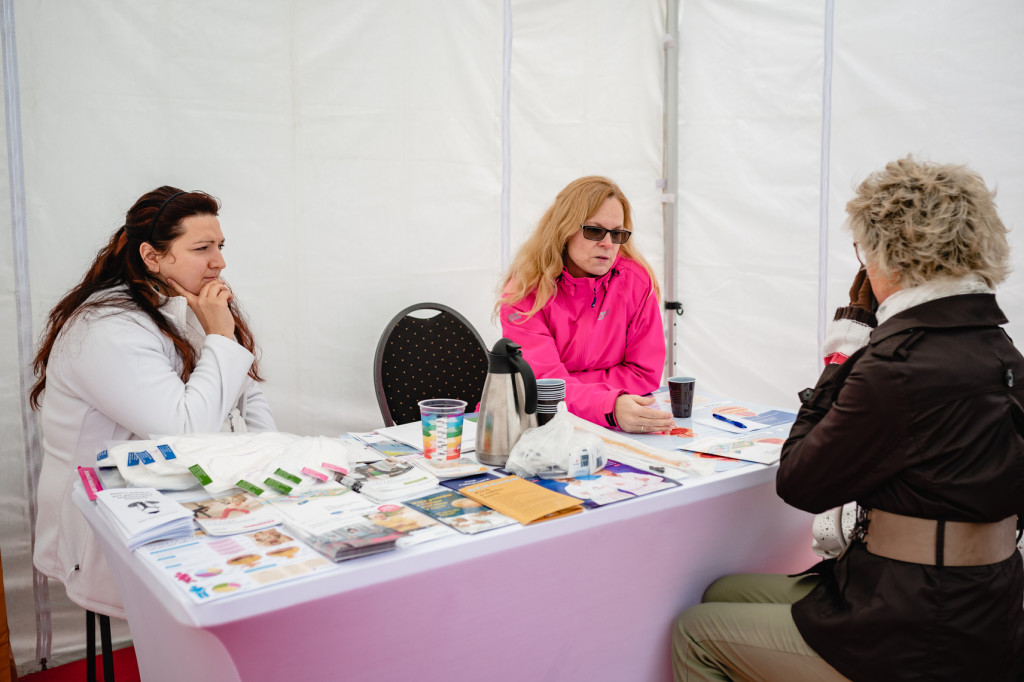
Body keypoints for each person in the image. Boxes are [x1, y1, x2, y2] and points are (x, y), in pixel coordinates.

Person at [672, 157, 1024, 681]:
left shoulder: (901, 362)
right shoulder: (999, 349)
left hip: (917, 626)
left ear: (889, 255)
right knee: (724, 591)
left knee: (696, 631)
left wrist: (843, 355)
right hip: (984, 606)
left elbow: (801, 482)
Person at [31, 186, 277, 619]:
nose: (219, 261)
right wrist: (219, 337)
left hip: (192, 490)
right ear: (153, 256)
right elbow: (183, 429)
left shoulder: (190, 305)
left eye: (220, 246)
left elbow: (245, 395)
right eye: (202, 248)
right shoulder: (106, 326)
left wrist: (270, 466)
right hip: (118, 514)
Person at [497, 176, 674, 434]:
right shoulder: (525, 292)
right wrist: (608, 404)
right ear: (563, 230)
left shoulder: (636, 281)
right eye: (594, 230)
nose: (607, 243)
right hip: (536, 426)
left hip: (612, 426)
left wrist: (576, 389)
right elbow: (543, 389)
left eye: (617, 233)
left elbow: (644, 374)